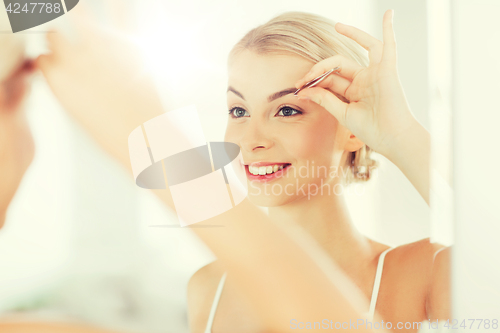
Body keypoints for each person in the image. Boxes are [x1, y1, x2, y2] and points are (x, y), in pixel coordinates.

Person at [32, 3, 451, 332]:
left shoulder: (425, 272)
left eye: (286, 110)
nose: (252, 139)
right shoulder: (207, 289)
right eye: (238, 109)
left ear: (353, 128)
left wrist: (398, 133)